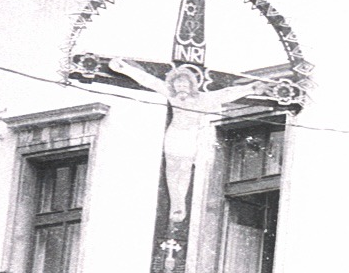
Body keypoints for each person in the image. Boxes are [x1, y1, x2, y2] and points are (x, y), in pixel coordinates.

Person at [108, 60, 264, 224]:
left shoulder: (203, 99)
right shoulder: (172, 95)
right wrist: (124, 68)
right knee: (172, 170)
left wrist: (250, 88)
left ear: (191, 84)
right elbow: (149, 80)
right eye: (177, 83)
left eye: (184, 83)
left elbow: (226, 93)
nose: (181, 86)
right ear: (173, 85)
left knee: (184, 171)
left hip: (190, 137)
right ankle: (176, 203)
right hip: (174, 135)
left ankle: (180, 205)